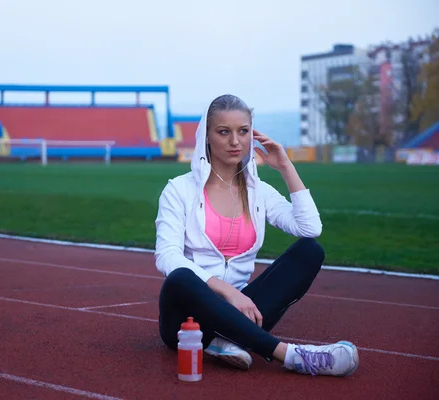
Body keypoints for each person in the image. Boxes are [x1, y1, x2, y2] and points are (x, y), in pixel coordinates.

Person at [154, 94, 359, 377]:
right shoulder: (180, 190)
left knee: (310, 251)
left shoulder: (258, 192)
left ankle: (228, 340)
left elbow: (309, 228)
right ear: (207, 137)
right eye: (224, 132)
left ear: (252, 134)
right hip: (187, 322)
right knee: (180, 277)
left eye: (243, 131)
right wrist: (227, 292)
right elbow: (167, 256)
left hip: (242, 310)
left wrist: (286, 167)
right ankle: (291, 356)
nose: (235, 141)